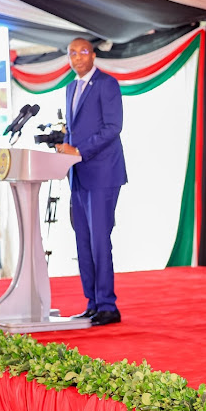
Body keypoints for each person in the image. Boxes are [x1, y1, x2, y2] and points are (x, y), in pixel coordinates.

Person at [56, 38, 127, 327]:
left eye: (83, 51)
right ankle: (92, 304)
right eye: (72, 52)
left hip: (103, 174)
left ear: (93, 55)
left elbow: (113, 127)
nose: (77, 57)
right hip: (78, 176)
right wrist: (62, 145)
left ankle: (109, 306)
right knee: (83, 242)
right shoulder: (70, 88)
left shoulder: (107, 84)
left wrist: (80, 150)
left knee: (99, 241)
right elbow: (73, 131)